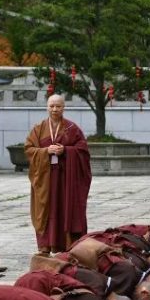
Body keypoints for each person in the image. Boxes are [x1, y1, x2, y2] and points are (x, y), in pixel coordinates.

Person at [25, 94, 91, 255]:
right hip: (45, 177)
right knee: (44, 209)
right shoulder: (38, 129)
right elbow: (29, 149)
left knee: (65, 208)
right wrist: (45, 151)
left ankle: (67, 244)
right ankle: (45, 245)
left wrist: (66, 150)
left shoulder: (72, 128)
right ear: (47, 107)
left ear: (63, 107)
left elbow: (83, 150)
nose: (54, 109)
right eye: (51, 106)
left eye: (58, 106)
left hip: (65, 178)